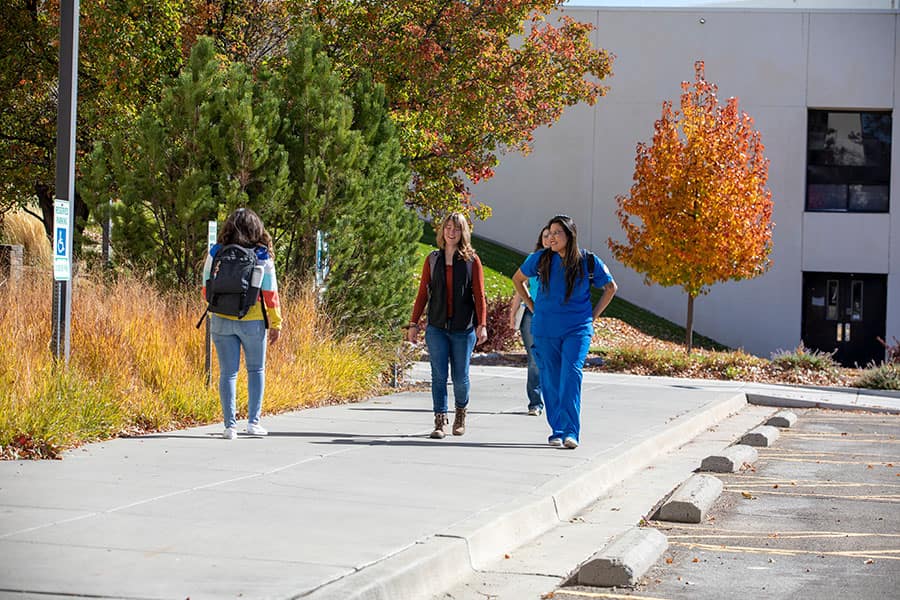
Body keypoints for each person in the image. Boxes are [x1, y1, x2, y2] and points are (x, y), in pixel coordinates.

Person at [512, 215, 617, 449]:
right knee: (550, 378)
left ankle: (571, 431)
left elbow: (610, 288)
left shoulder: (588, 261)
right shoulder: (539, 259)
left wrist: (592, 316)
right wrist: (532, 306)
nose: (552, 237)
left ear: (570, 235)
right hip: (545, 329)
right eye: (549, 232)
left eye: (557, 232)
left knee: (570, 374)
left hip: (577, 329)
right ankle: (557, 430)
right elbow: (517, 280)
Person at [202, 208, 283, 440]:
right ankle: (253, 423)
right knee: (256, 369)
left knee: (228, 373)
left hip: (220, 319)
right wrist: (276, 322)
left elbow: (205, 287)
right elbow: (270, 292)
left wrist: (216, 311)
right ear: (256, 228)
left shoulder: (215, 252)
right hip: (253, 319)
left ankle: (230, 427)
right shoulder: (261, 255)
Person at [407, 212, 488, 439]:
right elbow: (423, 293)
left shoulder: (472, 261)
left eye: (456, 228)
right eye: (448, 228)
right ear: (443, 231)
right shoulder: (433, 259)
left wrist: (482, 324)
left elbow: (479, 296)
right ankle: (440, 420)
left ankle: (461, 413)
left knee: (460, 377)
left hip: (463, 328)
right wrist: (413, 323)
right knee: (438, 375)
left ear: (464, 233)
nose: (451, 232)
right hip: (437, 327)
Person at [508, 226, 551, 416]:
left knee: (551, 359)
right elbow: (520, 285)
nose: (549, 238)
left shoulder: (563, 262)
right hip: (532, 313)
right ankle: (535, 402)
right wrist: (513, 312)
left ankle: (553, 399)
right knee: (534, 359)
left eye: (553, 235)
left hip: (554, 316)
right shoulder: (533, 260)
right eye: (545, 235)